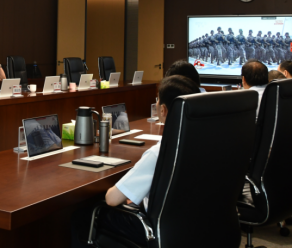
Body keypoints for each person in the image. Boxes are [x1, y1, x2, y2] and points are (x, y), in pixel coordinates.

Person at [70, 76, 199, 248]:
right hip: (191, 227)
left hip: (152, 230)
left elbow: (112, 199)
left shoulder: (159, 152)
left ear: (163, 110)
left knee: (82, 216)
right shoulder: (204, 144)